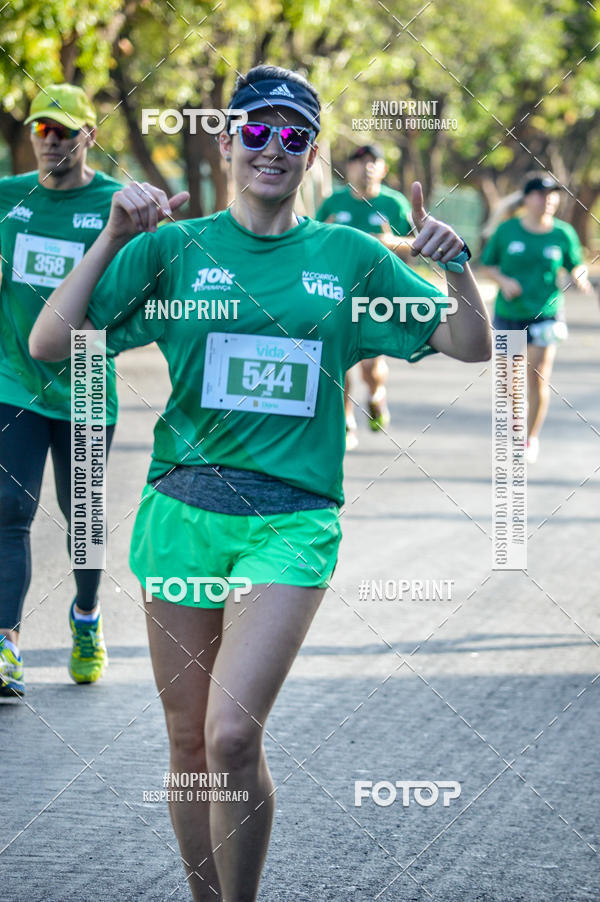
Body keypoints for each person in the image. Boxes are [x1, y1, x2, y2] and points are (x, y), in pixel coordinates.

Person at [30, 65, 491, 902]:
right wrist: (107, 239)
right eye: (257, 129)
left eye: (292, 135)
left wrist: (455, 269)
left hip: (292, 522)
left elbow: (469, 345)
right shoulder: (176, 247)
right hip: (181, 513)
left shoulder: (347, 257)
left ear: (310, 153)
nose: (273, 147)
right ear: (228, 139)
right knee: (187, 743)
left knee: (233, 733)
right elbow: (50, 344)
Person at [0, 84, 122, 696]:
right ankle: (5, 645)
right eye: (40, 130)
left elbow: (137, 293)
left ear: (88, 137)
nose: (50, 142)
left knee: (84, 520)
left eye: (63, 131)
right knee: (8, 511)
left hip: (88, 381)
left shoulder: (114, 207)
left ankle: (86, 615)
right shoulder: (6, 199)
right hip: (13, 380)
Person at [481, 172, 593, 463]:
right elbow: (487, 265)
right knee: (510, 382)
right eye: (542, 194)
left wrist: (580, 277)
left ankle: (530, 438)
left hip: (546, 315)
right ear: (527, 198)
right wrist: (504, 281)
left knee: (537, 377)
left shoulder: (563, 233)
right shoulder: (507, 231)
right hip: (508, 315)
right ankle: (518, 423)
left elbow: (575, 264)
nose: (548, 200)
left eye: (553, 195)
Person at [315, 144, 416, 448]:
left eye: (373, 161)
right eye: (359, 161)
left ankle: (376, 395)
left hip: (376, 296)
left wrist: (390, 241)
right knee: (340, 363)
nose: (366, 167)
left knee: (371, 367)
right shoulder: (334, 203)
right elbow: (314, 240)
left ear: (384, 169)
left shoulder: (393, 203)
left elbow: (415, 245)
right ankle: (346, 422)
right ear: (349, 168)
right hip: (336, 294)